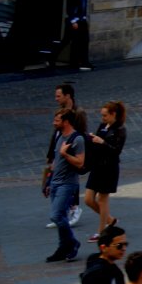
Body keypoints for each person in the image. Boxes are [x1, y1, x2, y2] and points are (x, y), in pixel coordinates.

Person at [45, 107, 87, 261]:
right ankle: (63, 247)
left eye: (57, 120)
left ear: (66, 121)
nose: (53, 123)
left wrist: (65, 154)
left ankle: (73, 243)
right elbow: (55, 162)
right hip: (56, 183)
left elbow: (80, 162)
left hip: (68, 184)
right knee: (61, 216)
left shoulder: (77, 139)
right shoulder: (59, 136)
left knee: (56, 215)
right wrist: (48, 182)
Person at [82, 101, 126, 238]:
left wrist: (102, 143)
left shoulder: (120, 130)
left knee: (102, 199)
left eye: (105, 115)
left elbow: (116, 151)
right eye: (102, 115)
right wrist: (91, 140)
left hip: (109, 168)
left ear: (114, 115)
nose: (103, 118)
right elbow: (96, 144)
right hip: (98, 166)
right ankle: (110, 220)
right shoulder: (103, 126)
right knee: (88, 199)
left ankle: (102, 232)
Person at [58, 0, 92, 71]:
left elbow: (84, 7)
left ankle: (84, 62)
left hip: (82, 20)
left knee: (85, 40)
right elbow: (70, 8)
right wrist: (73, 21)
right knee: (68, 41)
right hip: (75, 21)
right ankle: (52, 58)